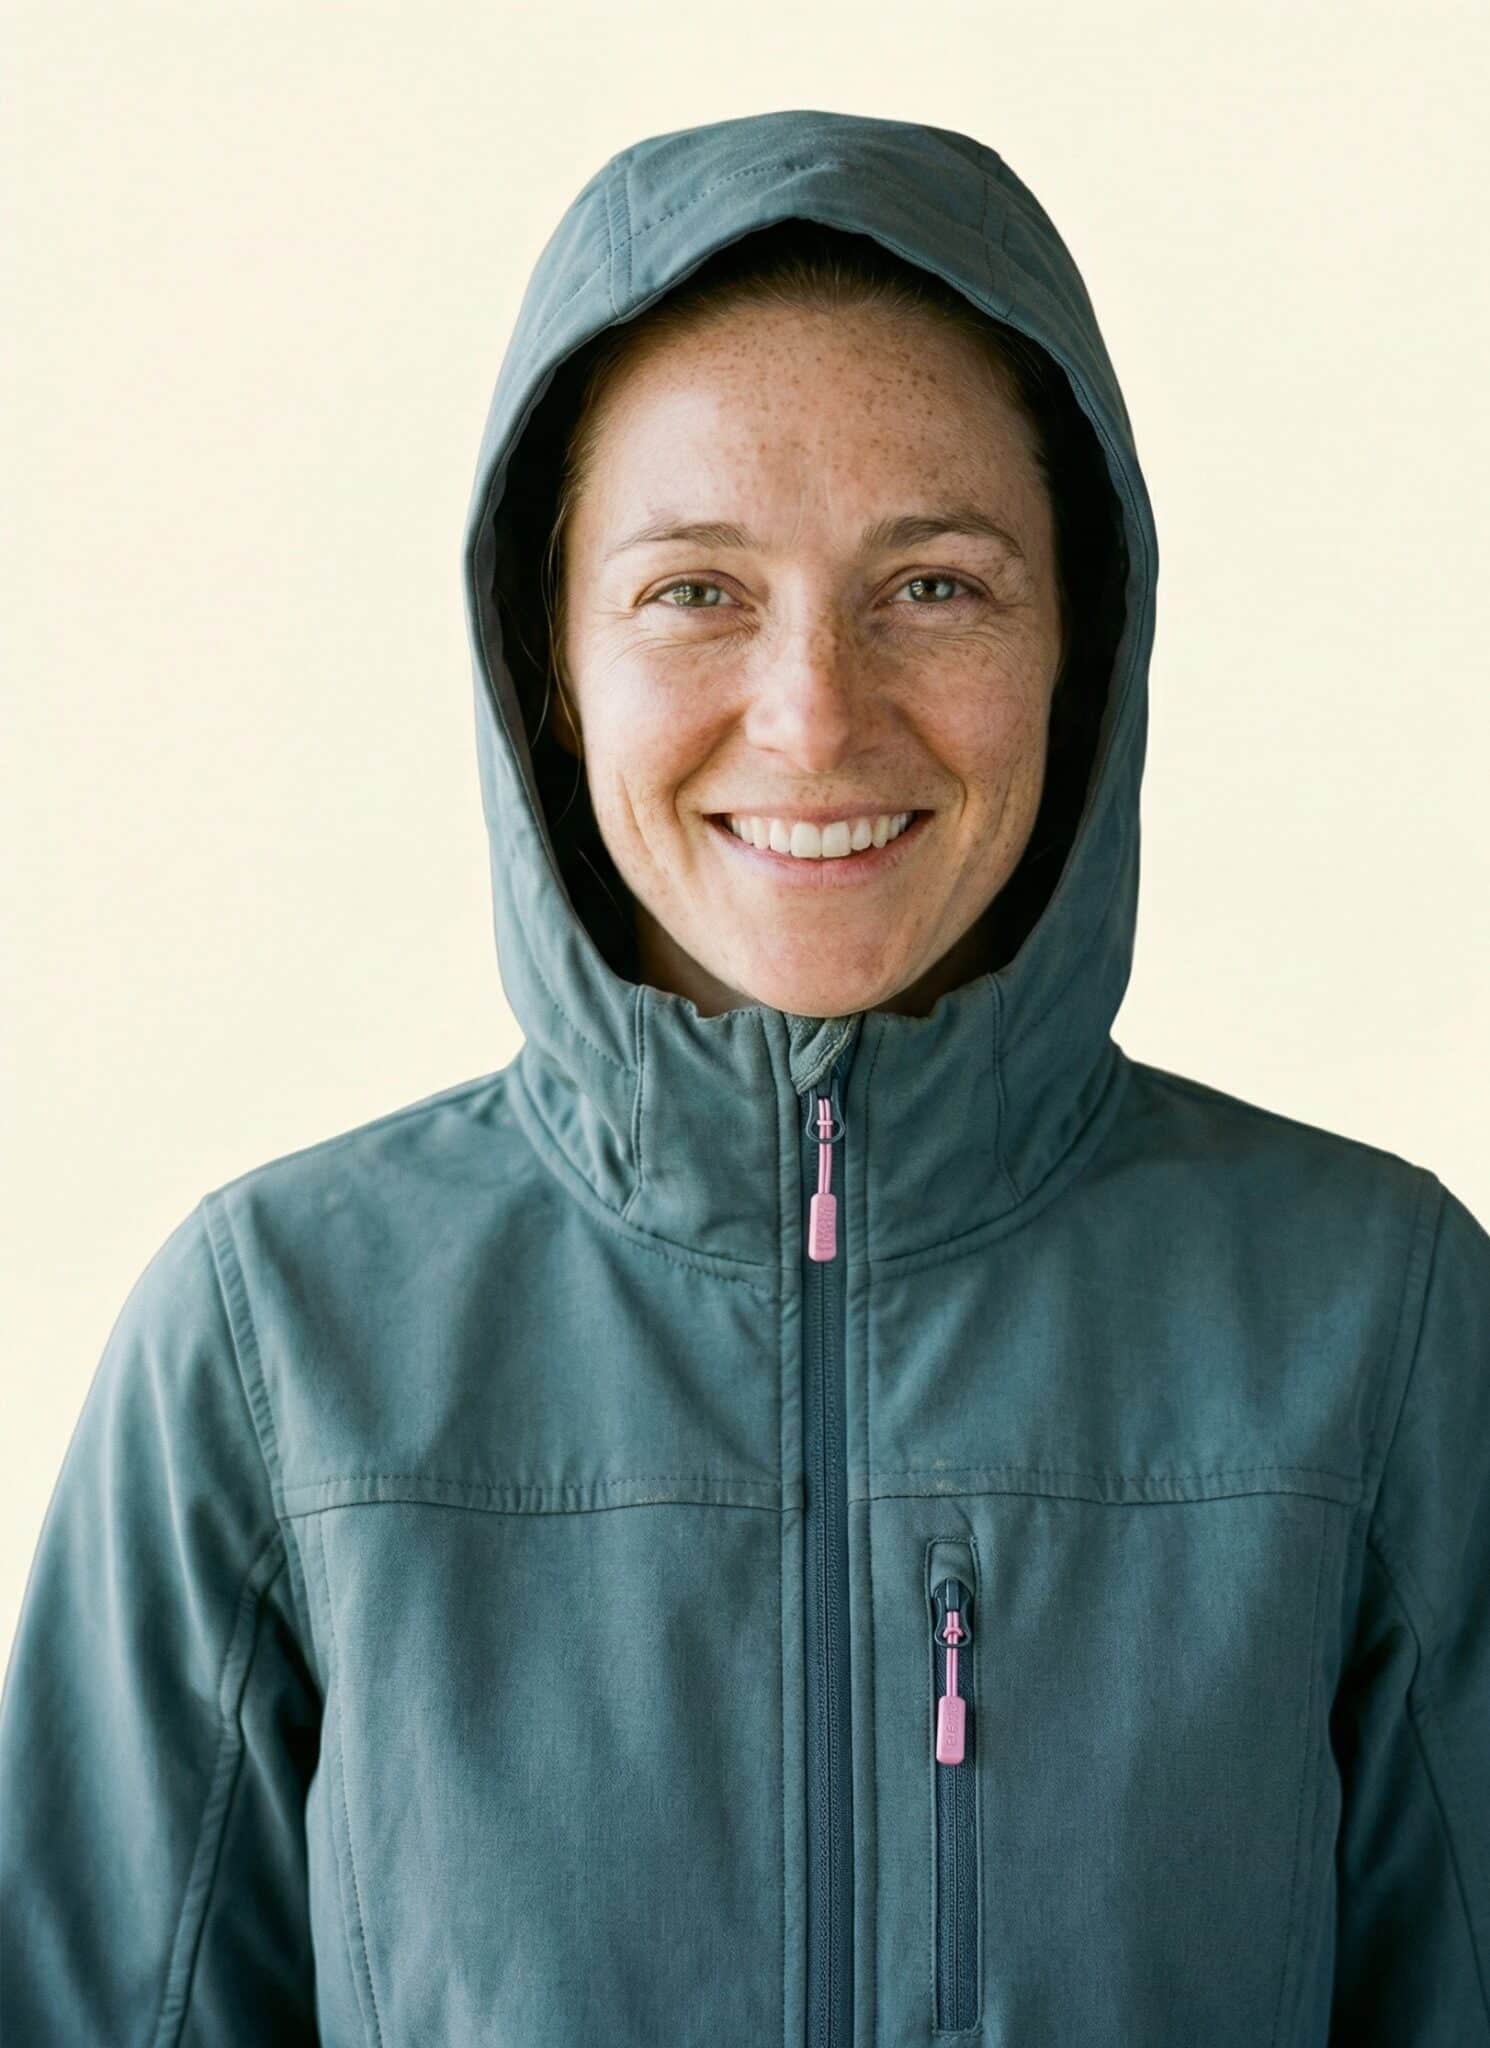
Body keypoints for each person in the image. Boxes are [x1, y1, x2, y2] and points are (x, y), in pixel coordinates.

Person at [1, 106, 1486, 2047]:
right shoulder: (269, 1342)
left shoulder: (1381, 1320)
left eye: (934, 585)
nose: (813, 717)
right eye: (695, 589)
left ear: (1082, 646)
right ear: (546, 665)